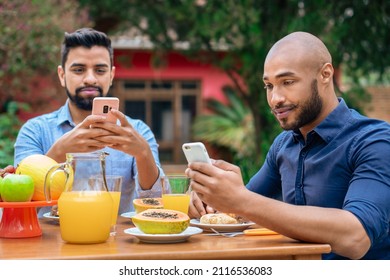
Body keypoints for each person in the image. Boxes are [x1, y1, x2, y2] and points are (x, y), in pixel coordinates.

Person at [186, 31, 390, 260]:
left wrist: (241, 200)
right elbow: (244, 209)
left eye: (288, 82)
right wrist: (216, 200)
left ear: (325, 74)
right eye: (269, 86)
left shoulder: (374, 141)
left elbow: (356, 237)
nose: (275, 98)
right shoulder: (284, 144)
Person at [14, 28, 165, 216]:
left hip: (116, 242)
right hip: (50, 244)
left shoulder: (138, 131)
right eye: (79, 70)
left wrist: (143, 154)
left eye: (100, 70)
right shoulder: (34, 131)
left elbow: (158, 205)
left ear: (111, 75)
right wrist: (58, 153)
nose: (90, 79)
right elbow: (18, 203)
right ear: (62, 75)